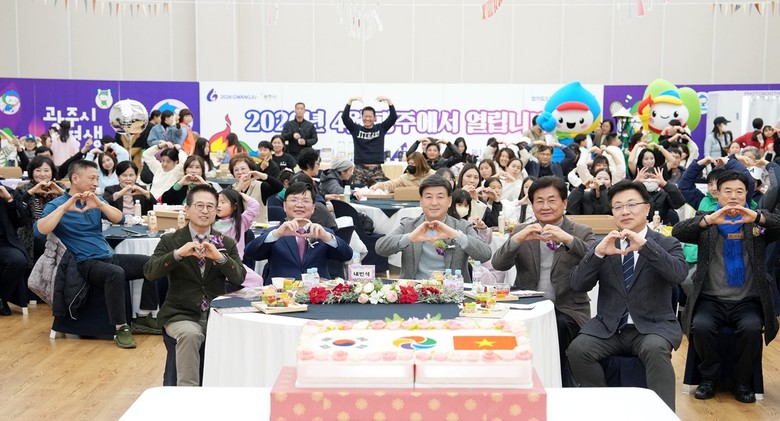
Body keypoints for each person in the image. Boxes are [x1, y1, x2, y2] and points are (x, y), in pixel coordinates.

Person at [567, 180, 687, 410]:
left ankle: (663, 414)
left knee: (655, 350)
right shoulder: (605, 244)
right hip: (609, 327)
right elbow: (578, 284)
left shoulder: (666, 243)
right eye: (618, 206)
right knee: (578, 350)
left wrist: (646, 247)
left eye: (631, 205)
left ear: (647, 208)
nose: (625, 211)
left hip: (653, 326)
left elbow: (679, 275)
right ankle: (604, 408)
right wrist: (598, 254)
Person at [672, 170, 779, 404]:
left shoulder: (755, 221)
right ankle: (709, 377)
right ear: (717, 194)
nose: (733, 196)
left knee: (752, 329)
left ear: (747, 194)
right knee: (700, 327)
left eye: (739, 191)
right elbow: (678, 232)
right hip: (711, 300)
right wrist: (708, 220)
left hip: (747, 301)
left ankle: (742, 381)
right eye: (727, 191)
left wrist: (758, 217)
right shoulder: (707, 219)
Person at [34, 160, 161, 348]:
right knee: (115, 273)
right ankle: (121, 328)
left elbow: (120, 219)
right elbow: (39, 231)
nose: (96, 183)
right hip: (84, 263)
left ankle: (144, 316)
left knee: (153, 264)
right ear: (75, 178)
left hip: (108, 257)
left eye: (97, 179)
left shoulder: (95, 200)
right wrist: (64, 208)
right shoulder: (57, 205)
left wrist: (100, 205)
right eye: (92, 178)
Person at [491, 176, 596, 386]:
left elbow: (595, 260)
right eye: (539, 201)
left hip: (568, 309)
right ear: (532, 205)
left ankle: (562, 386)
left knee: (559, 326)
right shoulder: (523, 230)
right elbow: (499, 264)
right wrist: (516, 240)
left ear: (564, 203)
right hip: (527, 306)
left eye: (552, 200)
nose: (545, 206)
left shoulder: (581, 232)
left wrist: (567, 239)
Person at [143, 184, 245, 386]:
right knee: (190, 334)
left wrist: (220, 258)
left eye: (210, 206)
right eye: (199, 206)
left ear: (216, 212)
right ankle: (187, 394)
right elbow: (150, 272)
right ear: (187, 209)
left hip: (216, 315)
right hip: (180, 313)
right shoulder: (171, 240)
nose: (205, 211)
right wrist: (177, 254)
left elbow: (239, 278)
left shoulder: (224, 242)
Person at [375, 175, 491, 283]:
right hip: (414, 290)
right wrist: (409, 237)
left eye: (440, 197)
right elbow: (380, 248)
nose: (434, 203)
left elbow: (485, 254)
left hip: (453, 291)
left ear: (449, 201)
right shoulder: (409, 225)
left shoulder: (462, 226)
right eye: (429, 197)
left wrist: (456, 235)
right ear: (421, 201)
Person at [245, 182, 353, 279]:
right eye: (294, 200)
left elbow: (346, 256)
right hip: (281, 291)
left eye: (305, 201)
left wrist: (327, 238)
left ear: (313, 208)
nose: (299, 205)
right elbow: (251, 253)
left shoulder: (322, 233)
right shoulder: (274, 233)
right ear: (284, 206)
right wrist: (276, 235)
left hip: (316, 291)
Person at [15, 156, 66, 269]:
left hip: (58, 232)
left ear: (52, 172)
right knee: (41, 240)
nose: (42, 174)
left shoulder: (60, 188)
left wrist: (61, 192)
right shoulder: (23, 190)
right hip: (31, 234)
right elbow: (17, 211)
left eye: (46, 170)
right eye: (38, 170)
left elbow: (74, 205)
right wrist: (30, 193)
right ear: (32, 172)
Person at [341, 96, 398, 186]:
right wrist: (350, 101)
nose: (367, 119)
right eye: (365, 116)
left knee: (380, 192)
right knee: (357, 191)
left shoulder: (381, 128)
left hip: (377, 170)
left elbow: (393, 117)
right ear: (362, 117)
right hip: (360, 170)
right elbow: (345, 117)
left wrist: (389, 101)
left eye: (370, 117)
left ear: (374, 118)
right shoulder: (356, 129)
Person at [213, 188, 263, 288]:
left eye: (223, 202)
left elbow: (254, 205)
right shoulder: (211, 222)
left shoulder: (240, 222)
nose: (218, 205)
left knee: (257, 280)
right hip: (214, 264)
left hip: (234, 265)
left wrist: (239, 194)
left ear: (235, 206)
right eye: (217, 202)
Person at [229, 154, 283, 224]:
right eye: (236, 170)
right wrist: (239, 188)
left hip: (258, 228)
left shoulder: (261, 186)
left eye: (243, 169)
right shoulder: (231, 189)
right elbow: (226, 202)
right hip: (237, 228)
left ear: (251, 170)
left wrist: (264, 176)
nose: (240, 172)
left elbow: (279, 187)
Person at [0, 184, 28, 315]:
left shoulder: (10, 192)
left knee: (18, 260)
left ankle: (2, 298)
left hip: (4, 242)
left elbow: (21, 221)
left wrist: (9, 200)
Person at [370, 152, 434, 193]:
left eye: (412, 164)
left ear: (420, 164)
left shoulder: (432, 175)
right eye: (409, 164)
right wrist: (378, 186)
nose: (410, 166)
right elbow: (392, 184)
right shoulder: (405, 177)